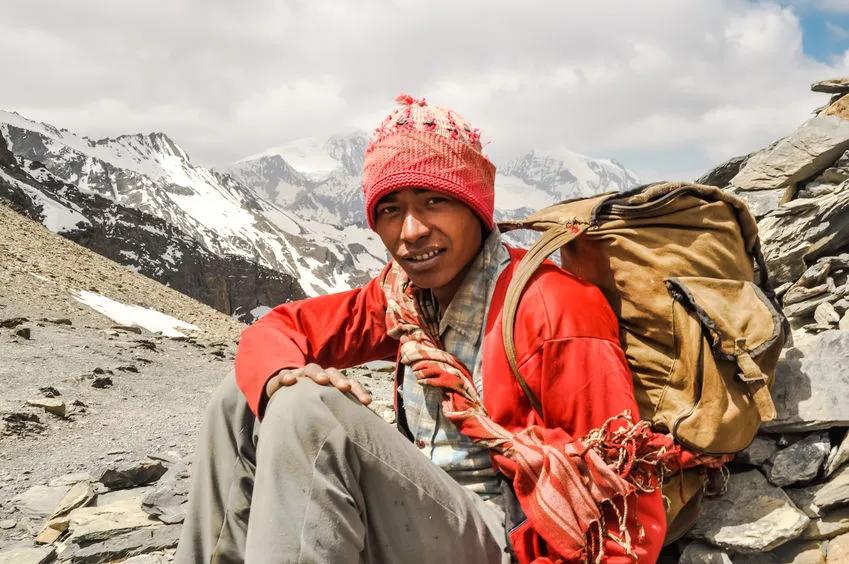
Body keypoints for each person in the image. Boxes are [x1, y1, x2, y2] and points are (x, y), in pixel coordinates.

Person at [175, 95, 667, 564]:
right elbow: (279, 328)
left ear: (476, 206)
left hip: (501, 538)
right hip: (427, 512)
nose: (410, 231)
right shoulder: (403, 298)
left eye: (434, 200)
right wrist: (283, 373)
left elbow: (626, 495)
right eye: (391, 209)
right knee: (245, 395)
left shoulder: (553, 310)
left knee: (308, 412)